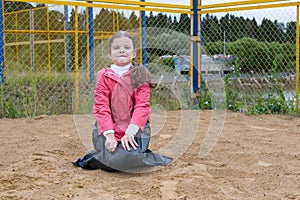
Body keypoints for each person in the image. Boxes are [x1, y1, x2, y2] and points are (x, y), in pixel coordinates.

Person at [73, 31, 172, 172]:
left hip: (134, 129)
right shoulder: (103, 75)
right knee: (115, 161)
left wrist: (130, 132)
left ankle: (133, 156)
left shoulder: (140, 74)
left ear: (134, 53)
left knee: (126, 158)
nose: (121, 50)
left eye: (126, 47)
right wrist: (110, 135)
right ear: (110, 54)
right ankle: (101, 156)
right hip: (108, 128)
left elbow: (142, 106)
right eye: (116, 48)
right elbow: (102, 107)